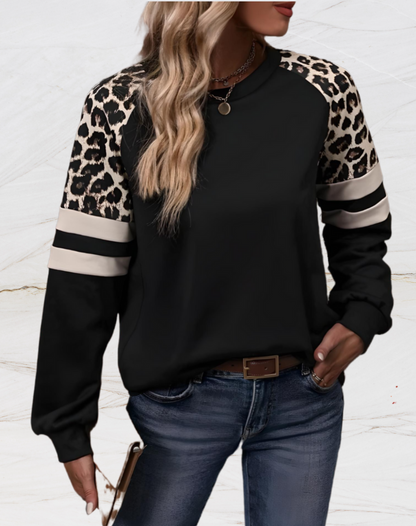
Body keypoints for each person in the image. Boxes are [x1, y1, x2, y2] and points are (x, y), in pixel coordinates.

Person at [30, 2, 394, 525]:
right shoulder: (120, 105)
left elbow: (360, 222)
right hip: (179, 405)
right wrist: (67, 423)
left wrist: (363, 314)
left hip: (303, 397)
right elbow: (85, 273)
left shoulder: (323, 88)